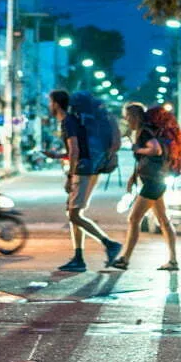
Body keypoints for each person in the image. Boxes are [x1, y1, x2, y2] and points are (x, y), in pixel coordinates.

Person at [52, 89, 122, 273]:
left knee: (74, 214)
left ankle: (109, 244)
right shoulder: (79, 120)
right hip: (91, 165)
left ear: (57, 104)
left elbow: (75, 150)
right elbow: (79, 149)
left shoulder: (69, 121)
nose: (49, 106)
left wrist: (70, 176)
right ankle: (78, 257)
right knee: (74, 212)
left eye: (50, 102)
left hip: (82, 170)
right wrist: (57, 155)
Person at [109, 103, 181, 271]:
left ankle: (125, 259)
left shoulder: (144, 132)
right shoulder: (143, 132)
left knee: (134, 219)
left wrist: (138, 149)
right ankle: (173, 261)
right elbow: (145, 161)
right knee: (163, 220)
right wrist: (133, 177)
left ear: (134, 116)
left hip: (153, 182)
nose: (126, 120)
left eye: (128, 117)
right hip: (155, 180)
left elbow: (155, 150)